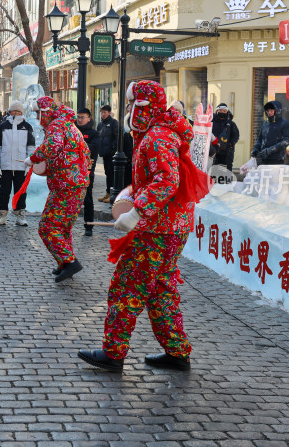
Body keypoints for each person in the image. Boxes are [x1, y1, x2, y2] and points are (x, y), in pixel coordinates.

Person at [78, 80, 208, 374]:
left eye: (130, 103)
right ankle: (177, 351)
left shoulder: (156, 138)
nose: (127, 109)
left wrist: (137, 212)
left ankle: (113, 353)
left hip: (158, 230)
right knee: (161, 290)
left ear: (142, 107)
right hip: (169, 227)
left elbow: (166, 181)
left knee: (127, 288)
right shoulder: (157, 134)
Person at [25, 96, 90, 283]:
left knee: (47, 226)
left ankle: (69, 262)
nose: (37, 117)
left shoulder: (56, 125)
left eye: (39, 113)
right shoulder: (68, 125)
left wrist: (33, 158)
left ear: (46, 112)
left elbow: (53, 146)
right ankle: (64, 263)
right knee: (63, 227)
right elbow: (82, 152)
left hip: (66, 185)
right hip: (77, 183)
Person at [0, 100, 35, 227]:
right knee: (4, 191)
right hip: (5, 165)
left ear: (21, 112)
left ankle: (20, 215)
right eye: (13, 110)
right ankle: (1, 215)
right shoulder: (3, 126)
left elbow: (31, 147)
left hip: (22, 165)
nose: (15, 113)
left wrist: (30, 164)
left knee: (20, 191)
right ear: (10, 111)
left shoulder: (27, 127)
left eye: (18, 111)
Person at [76, 108, 101, 237]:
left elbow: (94, 149)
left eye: (82, 117)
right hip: (71, 170)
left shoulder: (94, 133)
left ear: (89, 118)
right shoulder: (72, 131)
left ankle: (89, 225)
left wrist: (78, 147)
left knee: (88, 199)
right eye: (78, 117)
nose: (80, 120)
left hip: (87, 170)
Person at [251, 100, 289, 165]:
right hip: (264, 158)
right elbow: (260, 139)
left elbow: (287, 141)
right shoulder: (265, 123)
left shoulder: (284, 123)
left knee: (274, 175)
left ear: (277, 111)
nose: (269, 112)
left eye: (271, 110)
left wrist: (270, 150)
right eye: (267, 111)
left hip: (277, 158)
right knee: (264, 175)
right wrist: (256, 148)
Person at [97, 104, 120, 203]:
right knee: (107, 173)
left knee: (111, 173)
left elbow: (117, 137)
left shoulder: (114, 123)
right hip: (104, 153)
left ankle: (112, 194)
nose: (103, 114)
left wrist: (112, 147)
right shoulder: (100, 124)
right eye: (102, 112)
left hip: (112, 153)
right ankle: (107, 192)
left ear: (109, 113)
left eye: (105, 112)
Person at [211, 103, 240, 172]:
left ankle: (227, 181)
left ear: (227, 112)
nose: (222, 112)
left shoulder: (231, 124)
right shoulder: (211, 122)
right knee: (214, 168)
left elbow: (236, 135)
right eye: (220, 110)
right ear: (217, 111)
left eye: (224, 111)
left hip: (227, 151)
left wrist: (231, 143)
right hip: (214, 150)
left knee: (227, 169)